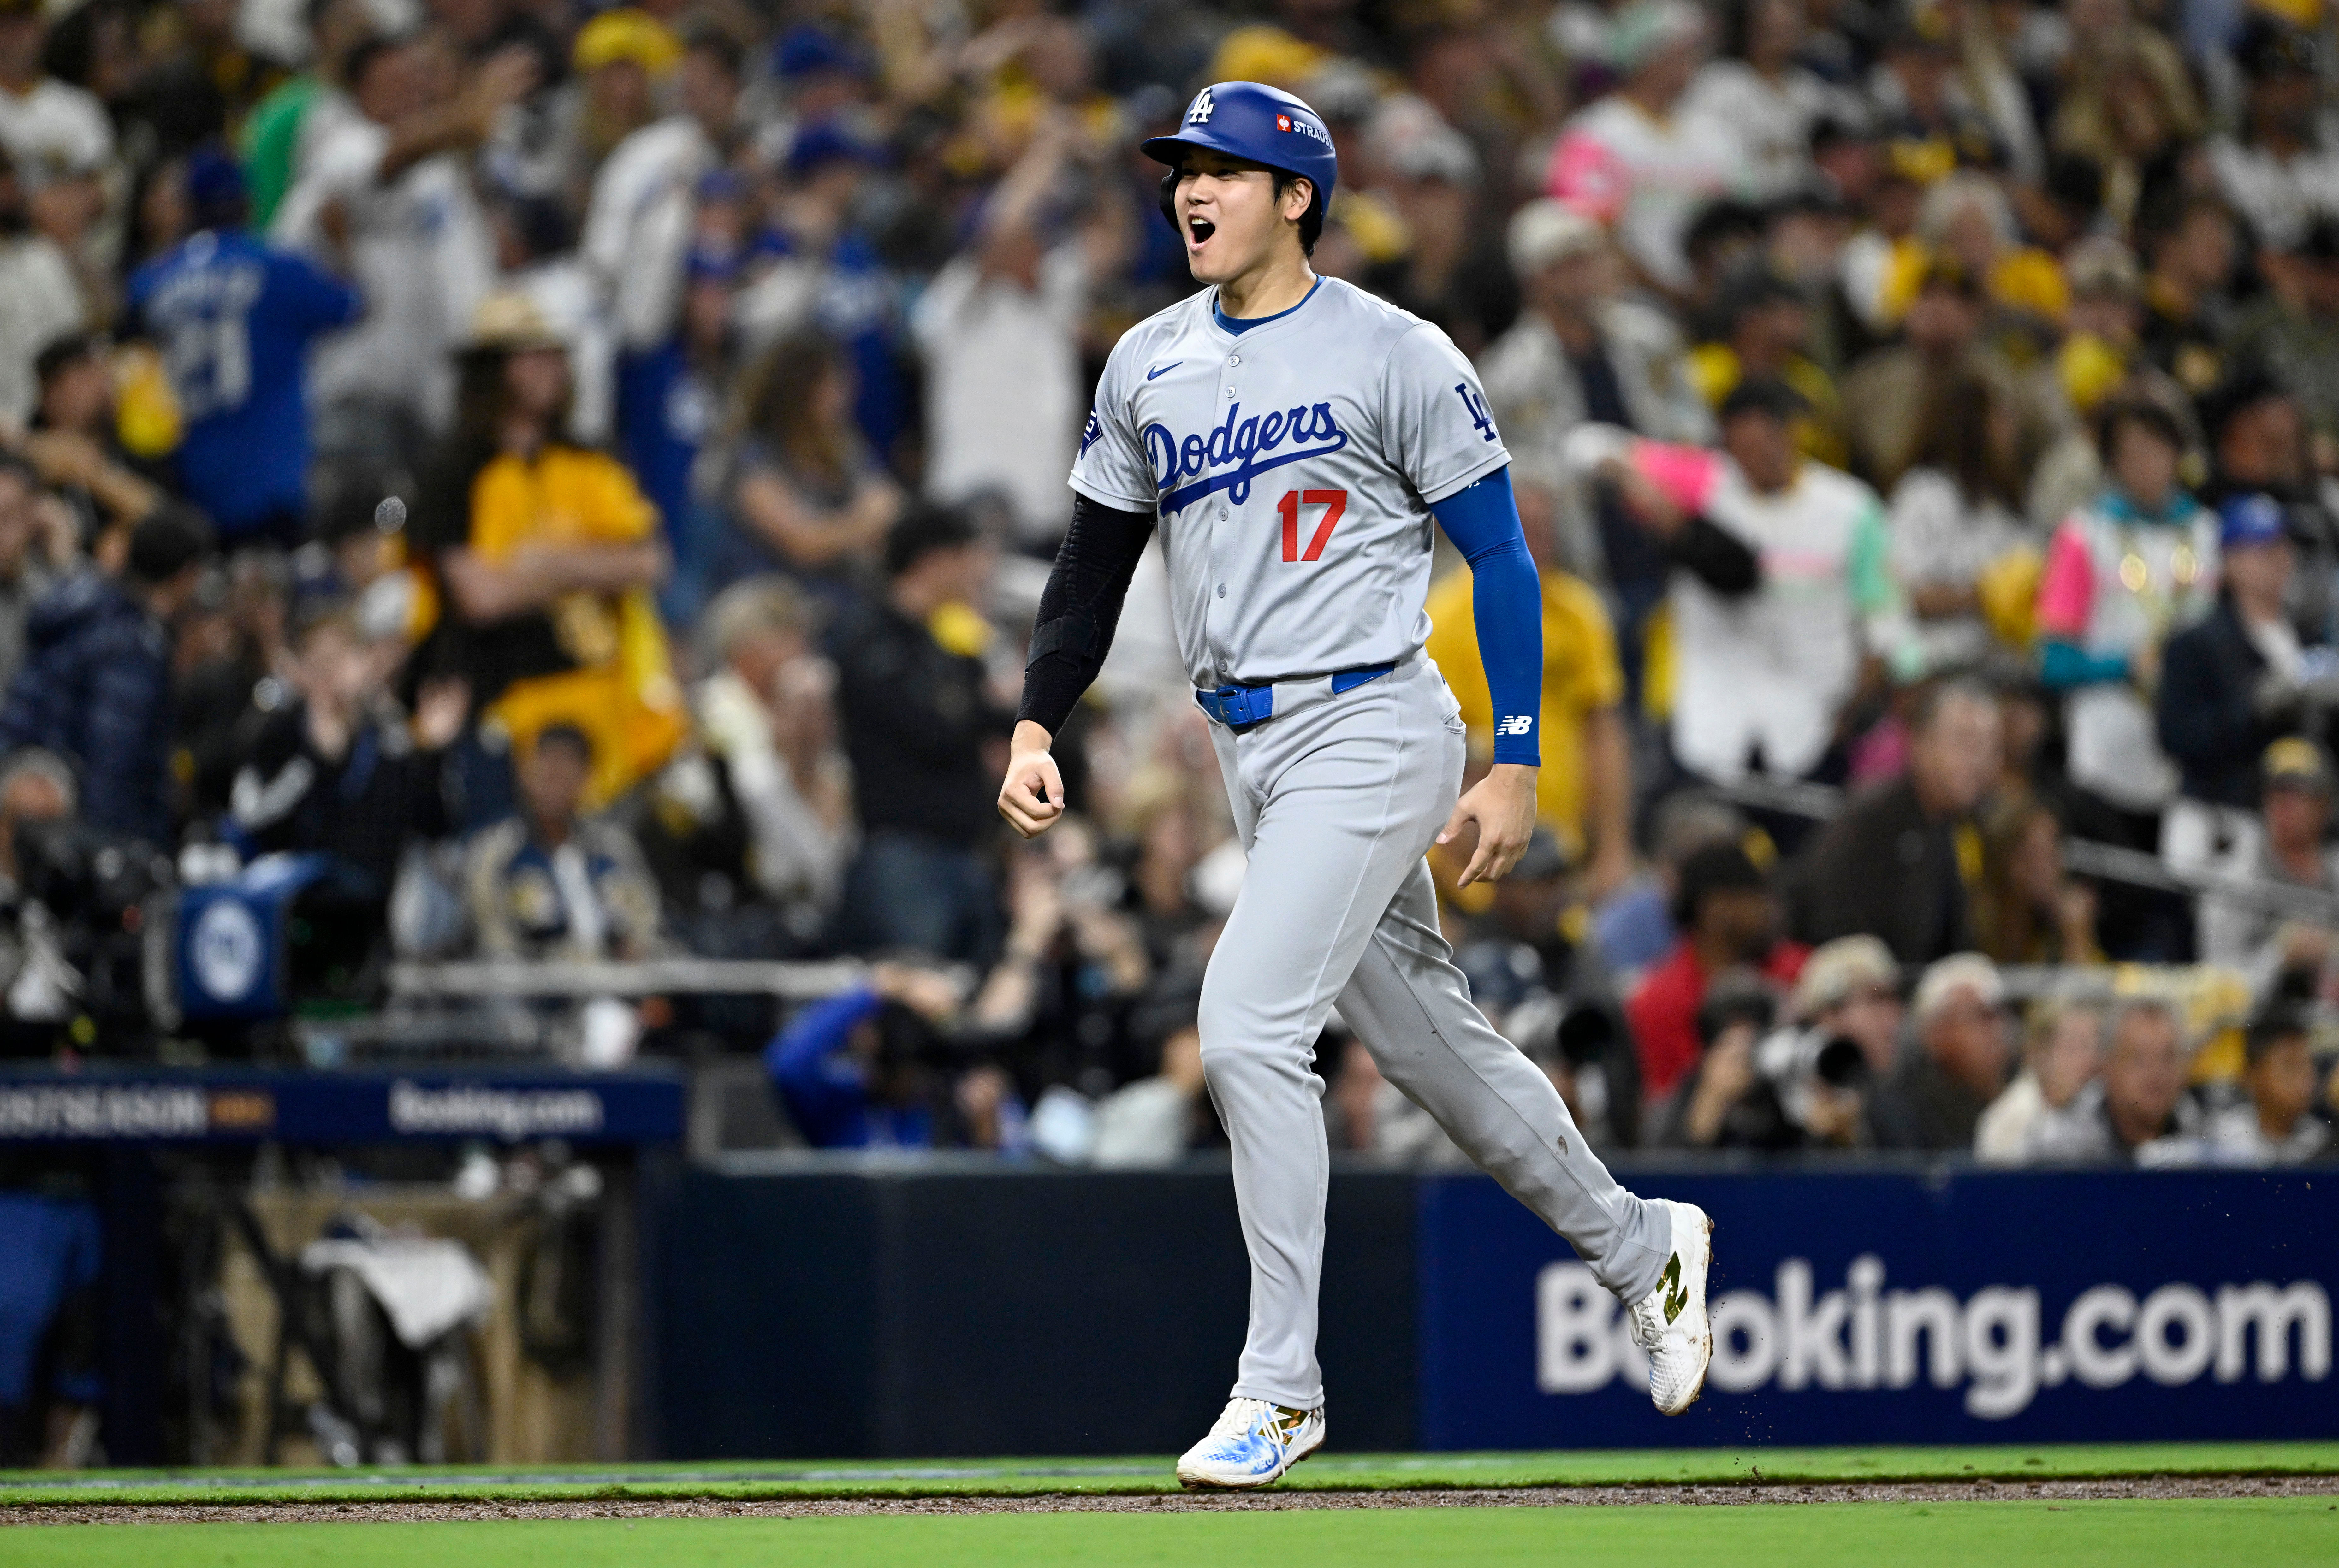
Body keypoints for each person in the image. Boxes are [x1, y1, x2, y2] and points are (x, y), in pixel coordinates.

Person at [996, 82, 1715, 1490]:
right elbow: (1090, 570)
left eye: (1223, 170)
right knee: (1436, 1050)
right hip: (1249, 751)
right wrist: (1035, 722)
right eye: (1182, 172)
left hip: (1376, 719)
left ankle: (1283, 1388)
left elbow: (1503, 557)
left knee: (1248, 1026)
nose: (1191, 192)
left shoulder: (1394, 349)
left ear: (1296, 194)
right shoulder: (1148, 361)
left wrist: (1517, 756)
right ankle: (1648, 1249)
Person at [410, 292, 680, 811]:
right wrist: (594, 568)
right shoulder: (453, 474)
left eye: (557, 357)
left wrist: (548, 563)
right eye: (533, 357)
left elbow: (650, 561)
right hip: (502, 706)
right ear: (493, 372)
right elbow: (481, 595)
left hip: (603, 698)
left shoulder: (590, 457)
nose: (553, 371)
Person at [1652, 376, 1904, 793]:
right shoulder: (1700, 488)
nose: (1764, 451)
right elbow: (1594, 448)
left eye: (1774, 434)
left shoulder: (1850, 509)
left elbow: (1885, 622)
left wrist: (1850, 712)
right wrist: (1661, 511)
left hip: (1816, 724)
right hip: (1712, 720)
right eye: (1747, 442)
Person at [127, 149, 362, 545]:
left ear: (188, 207)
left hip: (188, 486)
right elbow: (354, 305)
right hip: (274, 485)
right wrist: (342, 243)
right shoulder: (278, 269)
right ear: (246, 202)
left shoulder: (149, 284)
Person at [2035, 400, 2218, 861]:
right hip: (2104, 759)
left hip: (2192, 759)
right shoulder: (2083, 535)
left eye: (2157, 449)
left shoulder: (2205, 533)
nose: (2147, 464)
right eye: (2131, 452)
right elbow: (2052, 659)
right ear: (2111, 463)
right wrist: (2125, 665)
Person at [833, 504, 1009, 961]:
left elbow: (994, 721)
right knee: (917, 994)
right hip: (904, 856)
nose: (977, 572)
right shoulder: (869, 637)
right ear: (933, 560)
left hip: (967, 852)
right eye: (967, 556)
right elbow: (934, 727)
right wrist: (987, 704)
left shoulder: (947, 645)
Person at [0, 506, 210, 843]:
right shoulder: (130, 644)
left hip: (25, 784)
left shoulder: (88, 605)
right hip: (52, 812)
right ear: (187, 575)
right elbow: (110, 763)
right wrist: (114, 856)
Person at [2156, 493, 2324, 873]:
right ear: (2230, 562)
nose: (2279, 558)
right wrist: (2253, 706)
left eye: (2282, 546)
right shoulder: (2195, 642)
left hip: (2296, 829)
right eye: (2263, 549)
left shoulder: (2306, 640)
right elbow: (2176, 737)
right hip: (2219, 821)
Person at [1788, 678, 2001, 963]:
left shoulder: (1951, 826)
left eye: (1988, 746)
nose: (1978, 759)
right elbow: (1829, 928)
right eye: (1964, 741)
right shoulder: (1869, 821)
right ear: (1920, 744)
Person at [712, 330, 903, 597]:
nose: (844, 397)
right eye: (833, 386)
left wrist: (847, 529)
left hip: (845, 599)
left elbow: (890, 506)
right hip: (772, 604)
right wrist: (862, 524)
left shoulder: (843, 448)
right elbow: (804, 544)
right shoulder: (751, 458)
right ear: (799, 391)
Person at [464, 723, 664, 963]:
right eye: (546, 768)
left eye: (566, 770)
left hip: (619, 987)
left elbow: (646, 921)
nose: (555, 782)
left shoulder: (613, 848)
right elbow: (493, 935)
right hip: (536, 989)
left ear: (587, 777)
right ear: (525, 774)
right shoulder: (496, 851)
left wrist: (638, 954)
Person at [1625, 840, 1806, 1103]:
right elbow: (1667, 1103)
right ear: (1715, 910)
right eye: (1754, 898)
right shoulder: (1658, 1000)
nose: (1769, 910)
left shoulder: (1798, 971)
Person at [2197, 738, 2339, 1002]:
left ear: (2325, 806)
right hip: (2257, 1028)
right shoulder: (2234, 877)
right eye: (2276, 793)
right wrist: (2280, 956)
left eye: (2298, 794)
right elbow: (2215, 979)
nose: (2283, 806)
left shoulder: (2335, 870)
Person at [2019, 995, 2200, 1165]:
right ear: (2108, 1065)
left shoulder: (2205, 1133)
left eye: (2168, 1058)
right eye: (2139, 1059)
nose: (2156, 1073)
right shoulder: (2058, 1148)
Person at [1869, 952, 2010, 1150]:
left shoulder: (2025, 1095)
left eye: (1999, 1015)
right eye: (1982, 1016)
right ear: (1937, 1032)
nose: (1997, 1030)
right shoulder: (1900, 1113)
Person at [1975, 999, 2105, 1163]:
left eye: (2093, 1046)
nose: (2089, 1059)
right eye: (2074, 1047)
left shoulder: (2098, 1102)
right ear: (2039, 1052)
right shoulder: (2010, 1121)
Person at [2204, 1007, 2330, 1166]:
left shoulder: (2323, 1142)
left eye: (2308, 1066)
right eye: (2290, 1067)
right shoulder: (2219, 1140)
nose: (2306, 1080)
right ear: (2251, 1075)